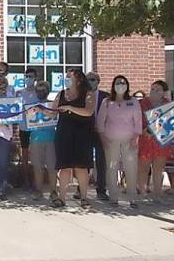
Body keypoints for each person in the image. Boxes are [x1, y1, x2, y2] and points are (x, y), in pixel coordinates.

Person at [51, 68, 97, 208]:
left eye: (69, 76)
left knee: (81, 168)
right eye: (66, 76)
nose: (66, 79)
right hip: (64, 134)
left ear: (78, 79)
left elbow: (88, 112)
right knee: (64, 167)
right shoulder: (61, 94)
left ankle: (83, 198)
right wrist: (40, 110)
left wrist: (70, 107)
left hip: (82, 135)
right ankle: (62, 198)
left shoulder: (88, 94)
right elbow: (53, 113)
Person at [96, 75, 142, 208]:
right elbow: (100, 122)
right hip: (111, 140)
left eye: (123, 83)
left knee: (131, 168)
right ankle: (113, 197)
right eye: (117, 83)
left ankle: (133, 198)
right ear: (113, 86)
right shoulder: (106, 102)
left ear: (127, 85)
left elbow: (138, 121)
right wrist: (103, 138)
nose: (120, 85)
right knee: (111, 168)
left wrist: (135, 138)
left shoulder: (133, 101)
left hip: (130, 140)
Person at [137, 80, 174, 202]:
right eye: (152, 89)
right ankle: (142, 193)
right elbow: (137, 120)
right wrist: (143, 130)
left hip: (161, 141)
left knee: (158, 169)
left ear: (163, 92)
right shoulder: (143, 103)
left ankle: (157, 194)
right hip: (146, 139)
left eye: (157, 89)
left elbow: (172, 123)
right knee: (143, 168)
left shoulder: (168, 104)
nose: (154, 91)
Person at [79, 71, 109, 201]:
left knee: (102, 162)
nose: (91, 82)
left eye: (93, 79)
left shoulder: (106, 97)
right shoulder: (81, 96)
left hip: (101, 132)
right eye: (88, 79)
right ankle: (81, 189)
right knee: (84, 161)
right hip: (86, 131)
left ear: (98, 81)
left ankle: (101, 190)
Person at [26, 81, 58, 201]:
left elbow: (54, 116)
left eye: (43, 90)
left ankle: (53, 191)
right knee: (37, 167)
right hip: (35, 139)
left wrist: (43, 111)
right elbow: (28, 121)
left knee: (52, 167)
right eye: (38, 90)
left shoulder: (52, 105)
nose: (41, 92)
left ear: (48, 91)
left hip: (51, 138)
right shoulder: (31, 106)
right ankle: (38, 190)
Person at [17, 68, 39, 191]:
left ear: (35, 78)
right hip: (23, 127)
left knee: (35, 154)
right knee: (25, 153)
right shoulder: (19, 93)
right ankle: (26, 179)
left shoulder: (38, 92)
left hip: (36, 128)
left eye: (31, 76)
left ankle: (36, 180)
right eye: (26, 76)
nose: (28, 79)